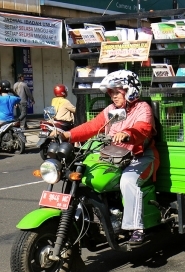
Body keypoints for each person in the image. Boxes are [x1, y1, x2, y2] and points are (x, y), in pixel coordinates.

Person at [55, 70, 159, 246]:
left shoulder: (142, 108)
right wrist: (67, 135)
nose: (113, 96)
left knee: (128, 180)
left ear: (130, 90)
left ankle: (136, 229)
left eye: (116, 91)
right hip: (113, 156)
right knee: (86, 175)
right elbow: (92, 126)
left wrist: (127, 133)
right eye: (111, 92)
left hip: (140, 157)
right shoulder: (112, 110)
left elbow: (143, 128)